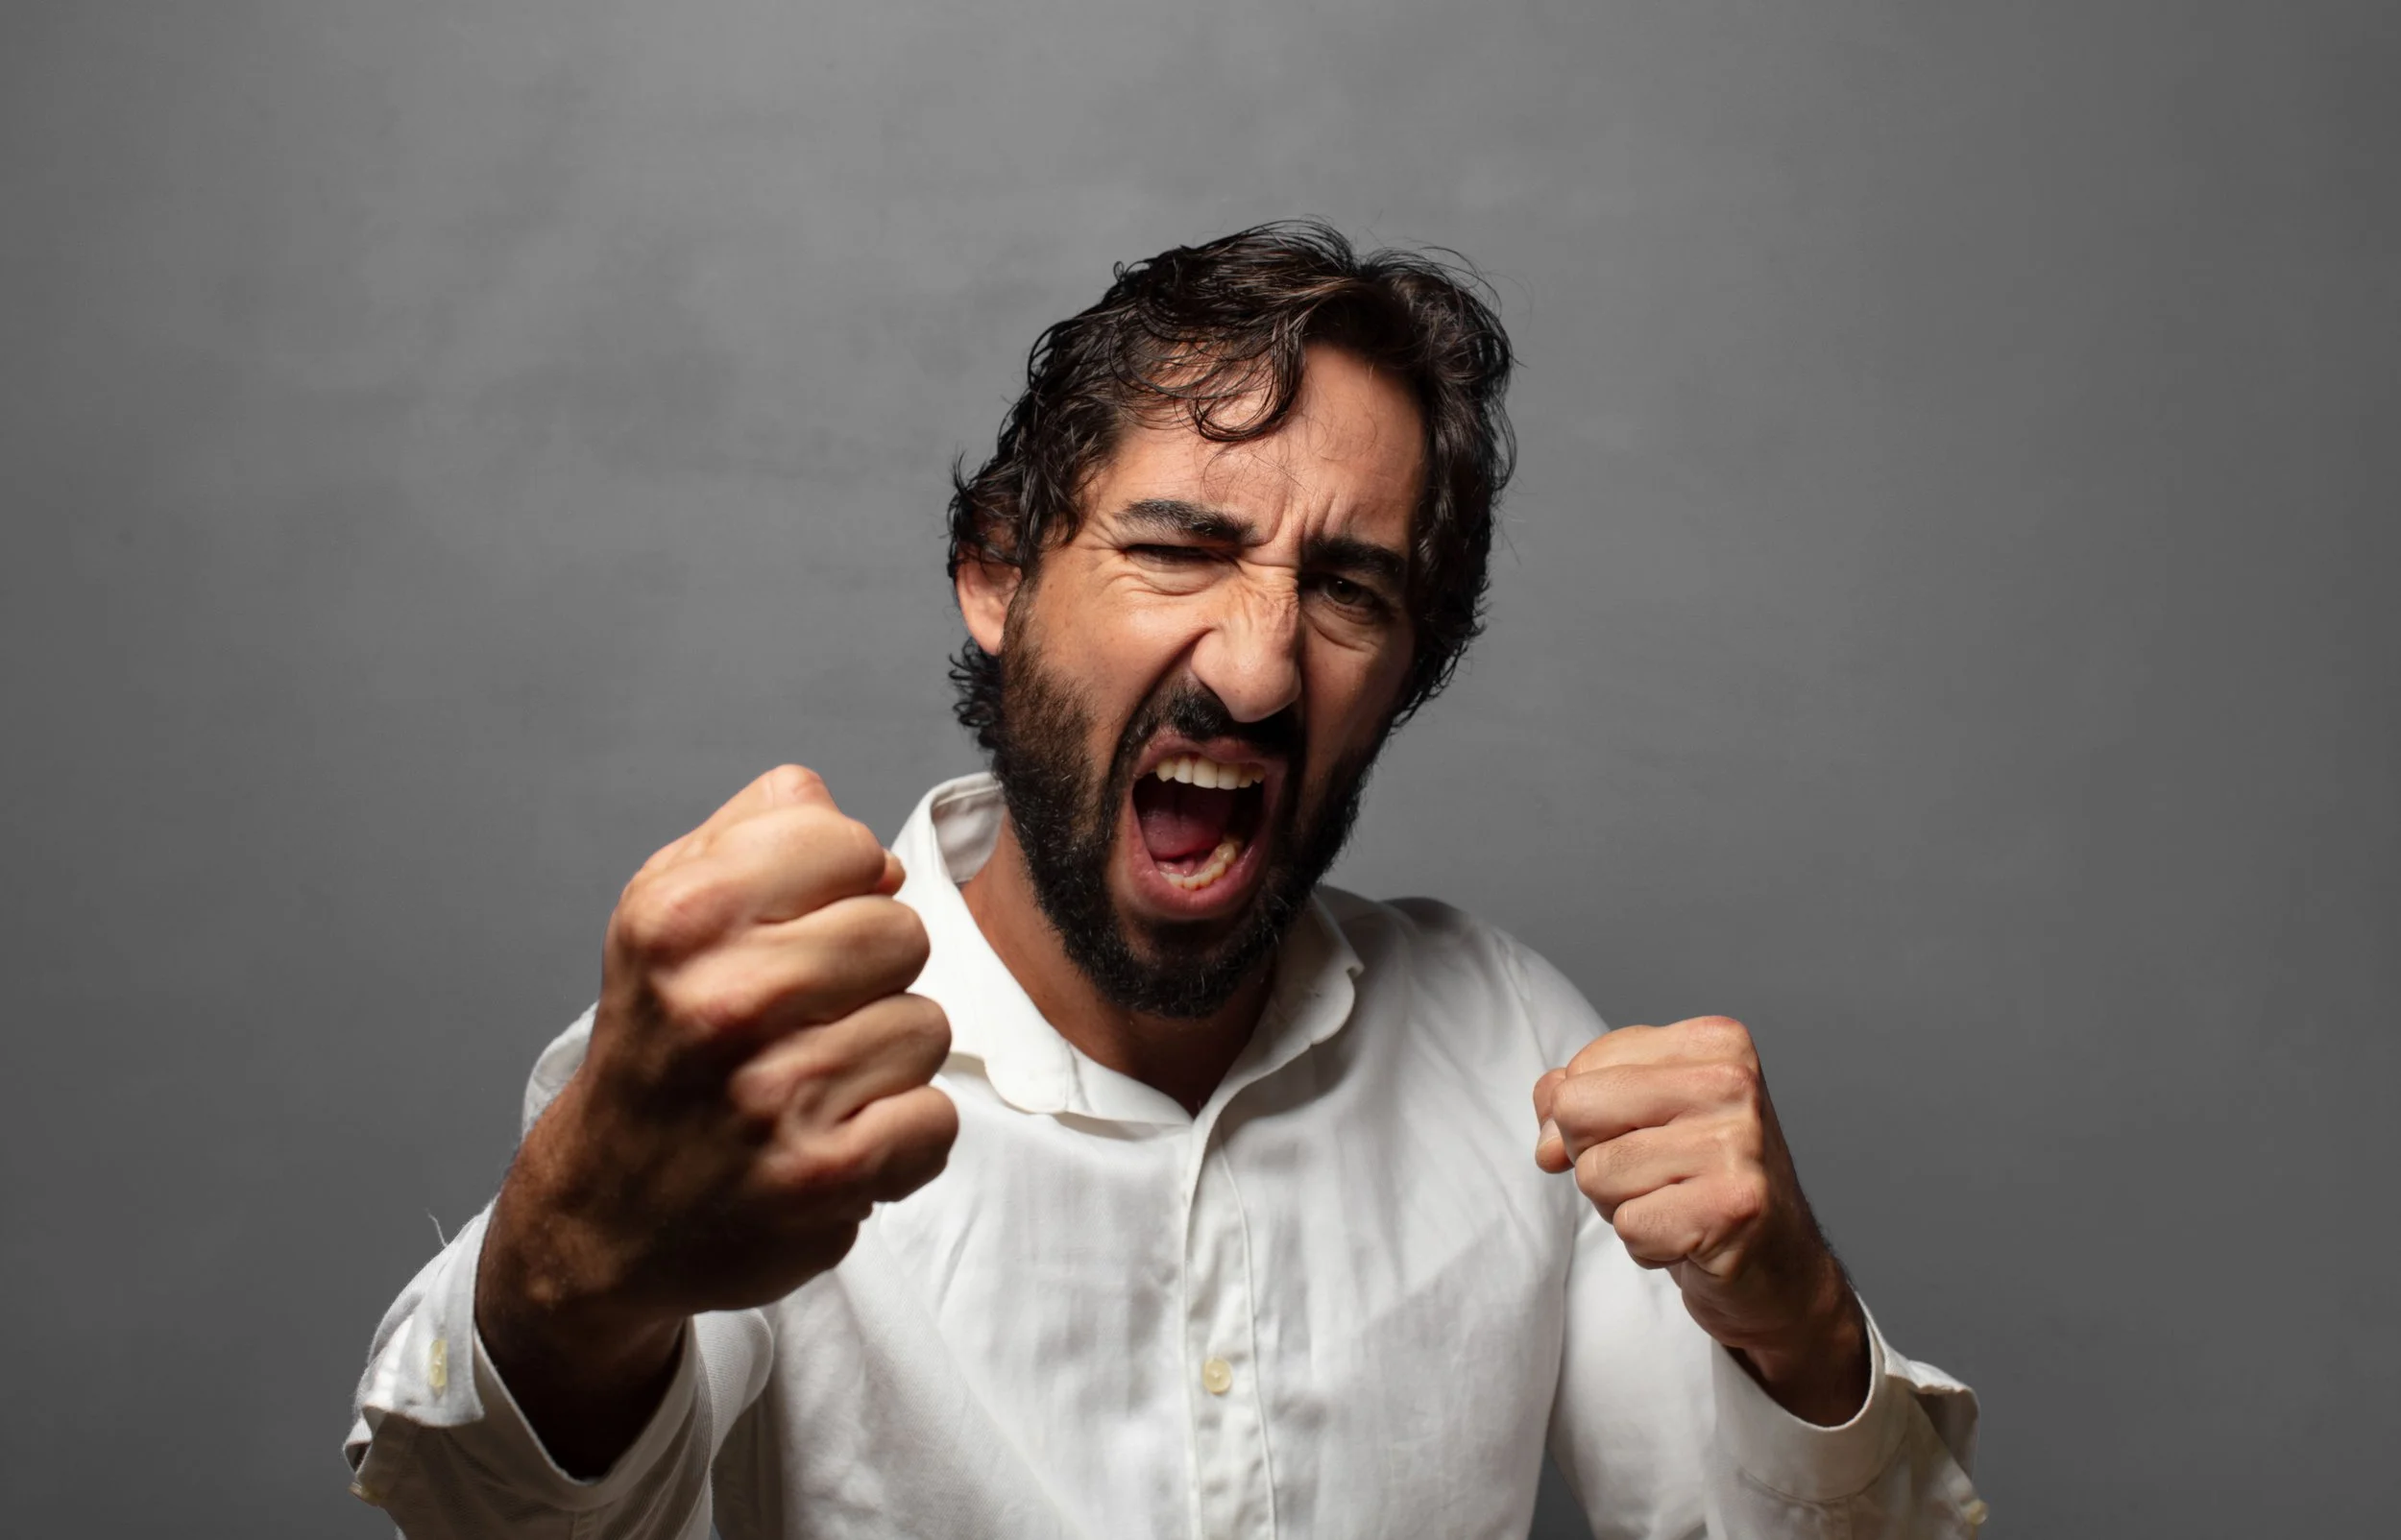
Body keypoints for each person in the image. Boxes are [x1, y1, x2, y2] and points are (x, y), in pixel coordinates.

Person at [347, 222, 1982, 1538]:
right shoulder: (759, 1049)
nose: (1262, 672)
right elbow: (499, 1514)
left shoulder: (1512, 1048)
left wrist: (1802, 1331)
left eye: (1347, 589)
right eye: (1183, 548)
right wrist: (568, 1263)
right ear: (998, 575)